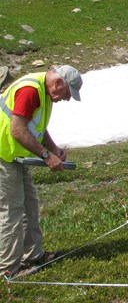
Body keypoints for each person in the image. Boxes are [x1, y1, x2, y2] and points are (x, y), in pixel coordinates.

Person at [0, 65, 82, 277]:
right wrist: (46, 156)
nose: (66, 99)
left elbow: (36, 125)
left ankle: (34, 255)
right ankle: (8, 268)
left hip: (16, 155)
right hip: (3, 154)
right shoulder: (30, 90)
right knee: (11, 210)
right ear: (59, 83)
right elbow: (17, 130)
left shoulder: (43, 91)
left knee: (29, 204)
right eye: (67, 94)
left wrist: (53, 148)